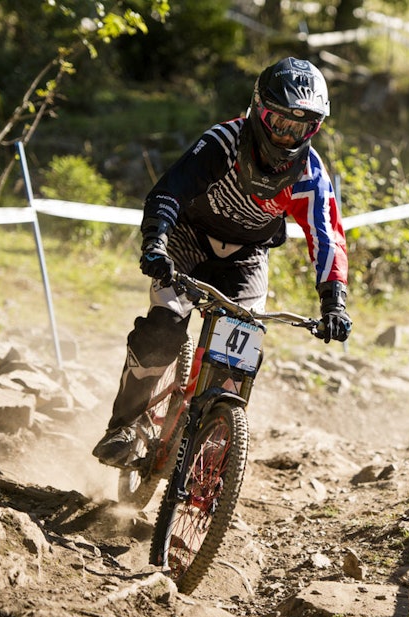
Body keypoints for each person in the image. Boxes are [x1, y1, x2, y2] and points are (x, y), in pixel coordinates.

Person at [92, 56, 351, 467]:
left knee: (237, 360)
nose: (287, 137)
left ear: (314, 129)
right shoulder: (224, 142)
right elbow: (169, 191)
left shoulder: (310, 175)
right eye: (280, 123)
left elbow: (328, 236)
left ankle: (208, 438)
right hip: (188, 241)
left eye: (300, 128)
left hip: (247, 258)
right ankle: (123, 426)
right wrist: (155, 243)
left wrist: (333, 301)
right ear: (259, 111)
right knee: (162, 331)